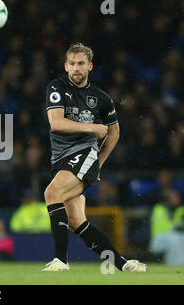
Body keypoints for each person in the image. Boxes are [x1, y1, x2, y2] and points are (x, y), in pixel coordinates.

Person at [42, 43, 146, 272]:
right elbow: (56, 123)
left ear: (90, 66)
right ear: (66, 66)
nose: (76, 68)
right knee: (75, 221)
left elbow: (114, 132)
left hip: (84, 154)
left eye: (81, 63)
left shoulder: (101, 98)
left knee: (52, 193)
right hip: (60, 159)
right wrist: (92, 128)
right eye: (72, 64)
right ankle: (124, 264)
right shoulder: (56, 87)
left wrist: (97, 163)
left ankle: (61, 261)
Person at [149, 189, 184, 265]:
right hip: (159, 237)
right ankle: (175, 264)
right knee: (175, 238)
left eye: (177, 197)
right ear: (168, 199)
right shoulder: (159, 208)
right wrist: (176, 226)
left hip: (176, 237)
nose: (176, 199)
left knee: (177, 238)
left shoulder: (181, 209)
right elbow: (161, 225)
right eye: (173, 197)